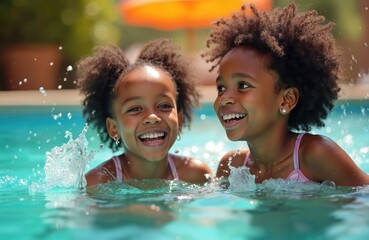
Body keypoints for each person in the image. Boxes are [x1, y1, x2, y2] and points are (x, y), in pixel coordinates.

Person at [202, 3, 369, 186]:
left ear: (287, 100)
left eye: (243, 85)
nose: (224, 98)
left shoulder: (315, 155)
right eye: (221, 88)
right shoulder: (232, 165)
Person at [77, 38, 212, 187]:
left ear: (179, 121)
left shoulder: (196, 175)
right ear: (113, 128)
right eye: (135, 109)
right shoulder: (97, 183)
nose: (153, 117)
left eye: (164, 106)